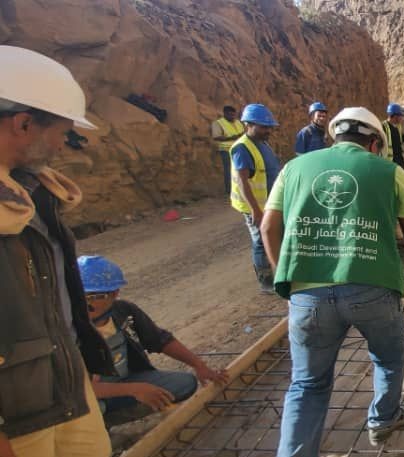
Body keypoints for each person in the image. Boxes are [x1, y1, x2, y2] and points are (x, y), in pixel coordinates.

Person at [260, 106, 404, 453]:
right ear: (374, 143)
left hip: (308, 295)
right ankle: (383, 419)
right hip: (374, 287)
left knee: (308, 385)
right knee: (388, 357)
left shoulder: (292, 168)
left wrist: (288, 279)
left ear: (335, 136)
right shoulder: (389, 171)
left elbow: (267, 228)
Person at [0, 45, 112, 457]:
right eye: (62, 132)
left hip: (64, 386)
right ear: (24, 123)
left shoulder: (34, 194)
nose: (64, 145)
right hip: (17, 416)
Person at [77, 256, 229, 426]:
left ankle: (112, 417)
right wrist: (134, 389)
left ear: (114, 293)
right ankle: (100, 429)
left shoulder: (123, 311)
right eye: (78, 295)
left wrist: (199, 365)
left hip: (123, 380)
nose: (84, 303)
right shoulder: (67, 328)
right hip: (87, 394)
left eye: (92, 296)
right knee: (85, 410)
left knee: (183, 384)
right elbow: (76, 390)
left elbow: (160, 340)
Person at [230, 103, 282, 294]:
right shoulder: (242, 148)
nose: (268, 130)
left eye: (269, 127)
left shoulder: (261, 143)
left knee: (275, 235)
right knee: (260, 241)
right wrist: (255, 210)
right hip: (256, 206)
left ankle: (278, 273)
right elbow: (242, 181)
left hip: (269, 203)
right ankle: (266, 282)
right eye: (263, 127)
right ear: (248, 125)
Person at [211, 106, 244, 195]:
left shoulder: (238, 122)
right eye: (230, 114)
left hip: (240, 149)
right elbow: (216, 137)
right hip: (226, 150)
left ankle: (240, 189)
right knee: (229, 170)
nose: (232, 116)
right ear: (225, 113)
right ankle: (229, 190)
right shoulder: (218, 123)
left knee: (241, 170)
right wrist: (232, 137)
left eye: (234, 114)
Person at [382, 103, 404, 170]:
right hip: (389, 162)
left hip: (399, 160)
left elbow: (401, 138)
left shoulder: (398, 126)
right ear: (395, 116)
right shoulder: (384, 127)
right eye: (400, 116)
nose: (401, 118)